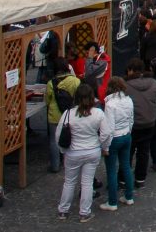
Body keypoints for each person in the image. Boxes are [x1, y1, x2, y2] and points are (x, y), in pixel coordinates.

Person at [55, 83, 112, 223]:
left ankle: (63, 210)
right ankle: (84, 213)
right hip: (92, 151)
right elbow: (106, 133)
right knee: (87, 183)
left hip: (73, 152)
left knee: (69, 182)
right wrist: (102, 146)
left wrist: (63, 151)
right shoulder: (98, 113)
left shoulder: (68, 114)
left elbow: (58, 135)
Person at [125, 58, 156, 187]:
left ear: (130, 70)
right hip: (149, 122)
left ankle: (125, 177)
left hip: (132, 124)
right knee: (144, 150)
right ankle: (140, 178)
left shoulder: (125, 85)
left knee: (129, 150)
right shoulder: (154, 83)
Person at [99, 77, 134, 212]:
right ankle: (129, 196)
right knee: (126, 166)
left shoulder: (110, 104)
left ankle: (112, 202)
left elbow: (109, 127)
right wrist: (129, 132)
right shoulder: (128, 100)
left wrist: (105, 146)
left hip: (114, 138)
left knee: (111, 171)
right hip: (126, 135)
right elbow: (131, 119)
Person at [45, 58, 81, 173]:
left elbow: (47, 100)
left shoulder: (51, 83)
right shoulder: (75, 81)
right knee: (72, 137)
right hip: (70, 114)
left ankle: (55, 165)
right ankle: (69, 163)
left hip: (55, 115)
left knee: (53, 141)